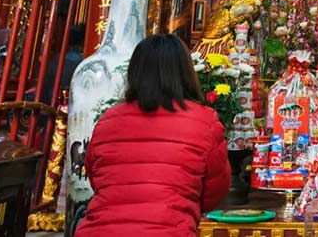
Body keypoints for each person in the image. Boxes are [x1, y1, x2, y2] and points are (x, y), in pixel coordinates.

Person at [76, 34, 231, 237]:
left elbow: (98, 178)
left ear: (134, 72)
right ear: (186, 72)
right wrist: (182, 202)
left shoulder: (108, 120)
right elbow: (215, 189)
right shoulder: (204, 121)